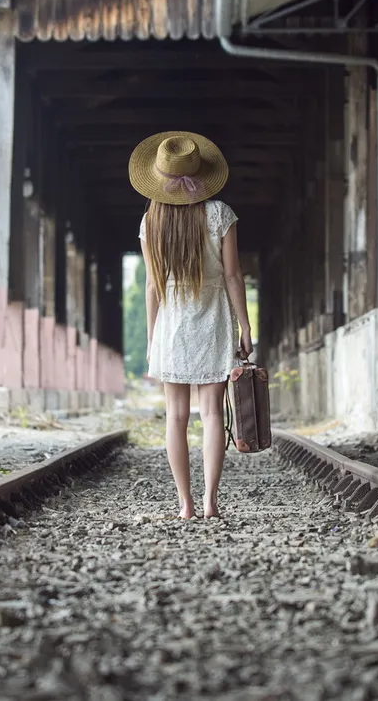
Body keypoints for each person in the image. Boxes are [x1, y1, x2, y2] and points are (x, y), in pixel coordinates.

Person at [130, 131, 252, 520]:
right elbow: (233, 276)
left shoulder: (151, 220)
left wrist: (152, 337)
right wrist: (246, 326)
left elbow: (152, 285)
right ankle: (212, 502)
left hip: (171, 322)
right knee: (212, 413)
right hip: (213, 317)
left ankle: (185, 504)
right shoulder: (220, 214)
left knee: (176, 416)